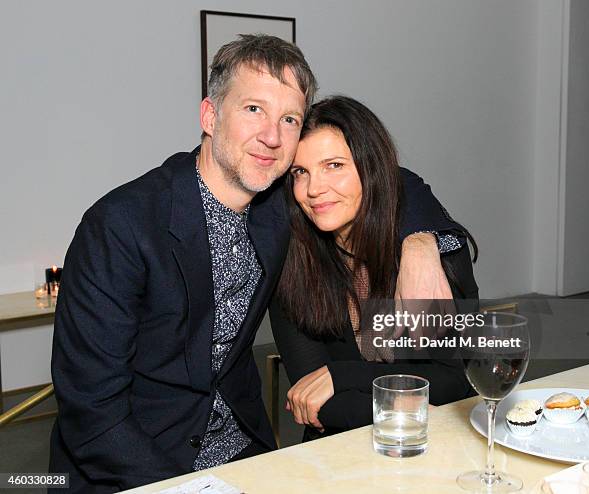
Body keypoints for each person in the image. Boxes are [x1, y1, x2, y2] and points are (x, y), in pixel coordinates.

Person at [49, 36, 465, 492]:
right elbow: (92, 412)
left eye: (289, 118)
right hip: (136, 465)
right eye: (253, 110)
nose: (272, 136)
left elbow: (387, 179)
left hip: (244, 454)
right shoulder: (122, 226)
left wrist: (422, 241)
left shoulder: (279, 206)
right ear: (209, 116)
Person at [270, 96, 479, 439]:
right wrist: (405, 400)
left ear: (372, 169)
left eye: (334, 165)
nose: (314, 189)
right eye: (300, 172)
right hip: (336, 454)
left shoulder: (430, 258)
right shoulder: (292, 263)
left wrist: (342, 376)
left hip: (434, 446)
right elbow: (313, 398)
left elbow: (454, 381)